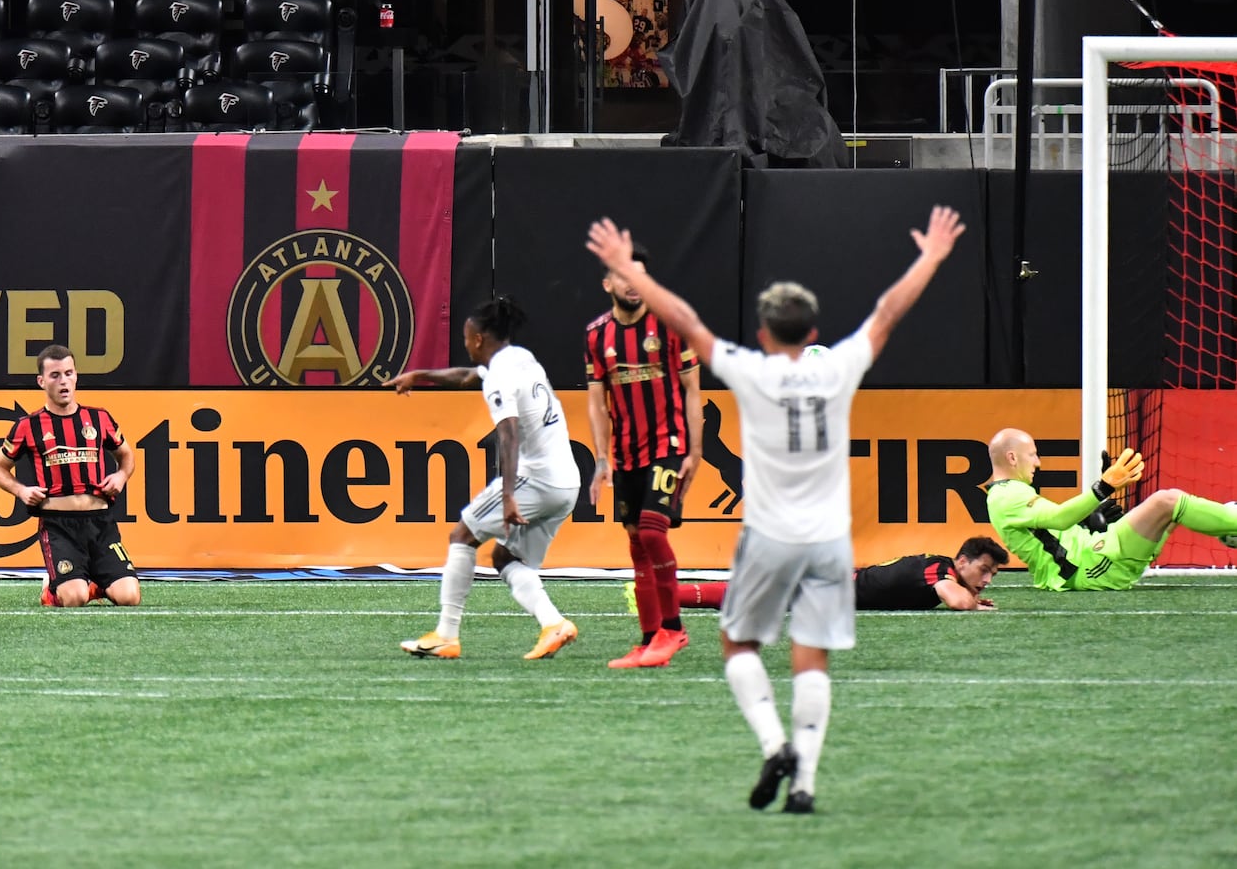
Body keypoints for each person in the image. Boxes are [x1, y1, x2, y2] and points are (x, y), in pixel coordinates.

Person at [586, 205, 964, 815]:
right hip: (826, 542)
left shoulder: (750, 371)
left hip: (767, 537)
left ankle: (772, 743)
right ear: (814, 335)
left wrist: (628, 268)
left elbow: (682, 318)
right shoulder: (839, 368)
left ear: (763, 334)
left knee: (738, 646)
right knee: (810, 660)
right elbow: (888, 311)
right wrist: (932, 256)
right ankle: (806, 783)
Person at [393, 296, 583, 661]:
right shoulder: (520, 357)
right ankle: (553, 623)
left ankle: (446, 635)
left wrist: (509, 496)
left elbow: (508, 433)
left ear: (478, 338)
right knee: (507, 558)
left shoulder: (500, 375)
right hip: (566, 483)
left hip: (536, 480)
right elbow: (466, 376)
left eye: (467, 338)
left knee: (462, 534)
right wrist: (422, 376)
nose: (465, 344)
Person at [584, 249, 702, 669]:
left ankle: (674, 629)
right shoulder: (597, 336)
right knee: (636, 542)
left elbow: (692, 389)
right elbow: (596, 403)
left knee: (653, 532)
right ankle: (650, 640)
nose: (633, 282)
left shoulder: (670, 325)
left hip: (667, 447)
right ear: (608, 285)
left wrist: (695, 449)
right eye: (623, 275)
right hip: (628, 453)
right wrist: (602, 458)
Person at [984, 429, 1237, 590]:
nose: (1038, 462)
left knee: (1170, 509)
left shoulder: (1009, 493)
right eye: (1032, 455)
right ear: (1012, 458)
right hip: (1088, 569)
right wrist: (1103, 487)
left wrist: (1089, 522)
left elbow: (1050, 533)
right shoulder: (1006, 496)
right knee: (1165, 501)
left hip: (1092, 553)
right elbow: (1059, 519)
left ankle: (1228, 526)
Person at [0, 344, 141, 609]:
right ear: (41, 381)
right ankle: (55, 590)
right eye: (55, 375)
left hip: (100, 523)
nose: (64, 381)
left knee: (130, 597)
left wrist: (120, 477)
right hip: (59, 525)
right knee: (73, 600)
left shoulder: (99, 418)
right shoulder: (28, 425)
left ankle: (92, 583)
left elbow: (127, 456)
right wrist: (21, 491)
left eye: (69, 373)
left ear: (76, 376)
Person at [661, 536, 1009, 612]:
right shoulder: (942, 568)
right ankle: (661, 596)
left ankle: (662, 596)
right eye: (984, 569)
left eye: (992, 573)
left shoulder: (942, 570)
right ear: (962, 561)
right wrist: (975, 603)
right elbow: (958, 603)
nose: (987, 579)